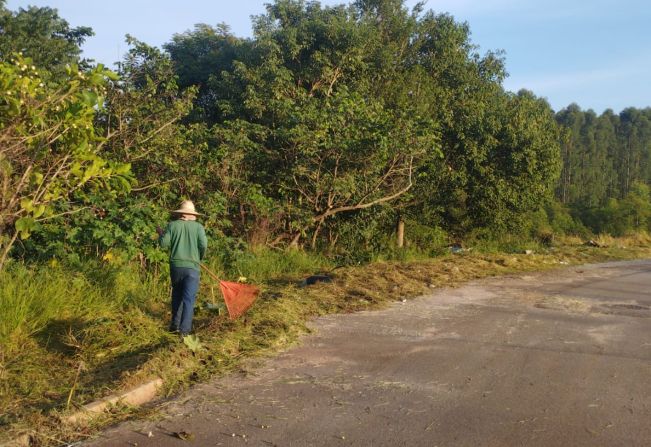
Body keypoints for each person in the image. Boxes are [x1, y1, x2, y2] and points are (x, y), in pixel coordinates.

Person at [158, 200, 208, 337]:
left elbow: (164, 244)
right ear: (191, 214)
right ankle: (185, 331)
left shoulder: (172, 225)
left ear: (181, 214)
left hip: (176, 266)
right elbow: (203, 245)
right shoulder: (198, 227)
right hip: (192, 267)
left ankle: (174, 326)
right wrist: (199, 258)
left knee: (177, 296)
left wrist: (161, 234)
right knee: (188, 299)